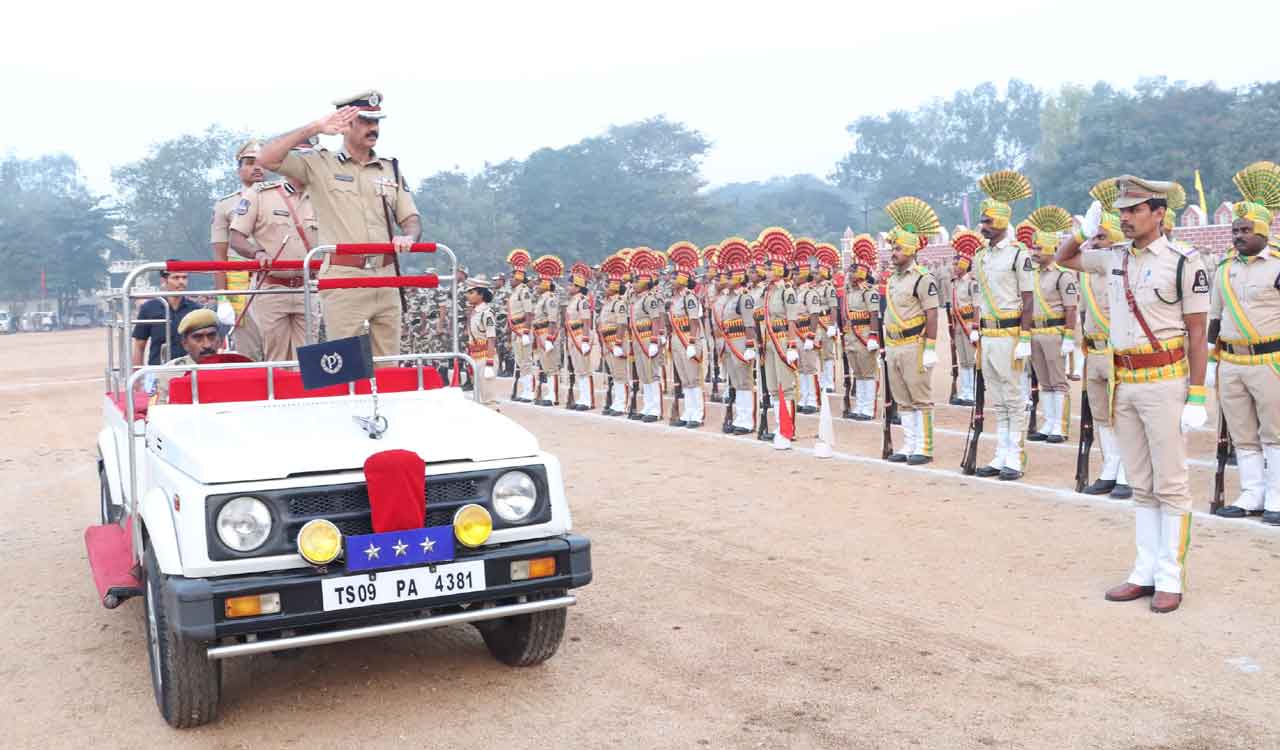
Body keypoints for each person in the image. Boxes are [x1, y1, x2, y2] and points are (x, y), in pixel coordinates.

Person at [1057, 175, 1211, 614]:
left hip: (1165, 381)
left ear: (1158, 213)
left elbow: (1198, 335)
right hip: (1125, 382)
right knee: (1141, 483)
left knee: (1172, 483)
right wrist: (1082, 233)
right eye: (1121, 211)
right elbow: (1062, 258)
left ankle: (1170, 576)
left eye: (1135, 210)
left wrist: (1197, 395)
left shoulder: (1185, 262)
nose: (1125, 217)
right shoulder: (1112, 259)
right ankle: (1143, 571)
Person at [257, 90, 422, 358]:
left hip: (387, 275)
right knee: (344, 364)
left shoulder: (390, 168)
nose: (374, 128)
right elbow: (266, 158)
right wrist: (315, 127)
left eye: (376, 122)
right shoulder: (320, 164)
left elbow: (410, 217)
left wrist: (409, 237)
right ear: (346, 124)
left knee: (389, 363)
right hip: (344, 278)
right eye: (366, 121)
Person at [1208, 162, 1280, 525]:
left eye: (1244, 230)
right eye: (1234, 230)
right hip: (1231, 362)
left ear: (1263, 231)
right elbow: (1215, 316)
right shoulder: (1224, 268)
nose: (1237, 235)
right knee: (1242, 432)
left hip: (1271, 360)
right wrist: (1209, 362)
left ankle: (1277, 496)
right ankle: (1252, 493)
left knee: (1276, 430)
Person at [972, 170, 1037, 481]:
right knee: (997, 397)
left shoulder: (1018, 256)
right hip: (988, 333)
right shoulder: (980, 257)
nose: (982, 226)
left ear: (1000, 222)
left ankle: (1015, 456)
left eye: (987, 221)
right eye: (982, 221)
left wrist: (1025, 336)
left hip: (1010, 333)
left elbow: (1028, 298)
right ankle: (1000, 453)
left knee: (1013, 396)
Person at [228, 164, 319, 362]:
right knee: (276, 359)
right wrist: (257, 253)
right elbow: (236, 238)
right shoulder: (260, 194)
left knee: (308, 359)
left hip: (308, 288)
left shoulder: (323, 196)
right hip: (272, 288)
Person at [1077, 179, 1133, 499]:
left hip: (1119, 352)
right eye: (1095, 236)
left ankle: (1127, 470)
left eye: (1102, 236)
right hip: (1095, 352)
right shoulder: (1087, 273)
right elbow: (1081, 315)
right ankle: (1110, 467)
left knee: (1121, 412)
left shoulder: (1125, 269)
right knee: (1100, 413)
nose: (1096, 241)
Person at [881, 197, 942, 465]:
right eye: (892, 248)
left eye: (897, 249)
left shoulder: (922, 278)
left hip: (914, 344)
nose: (892, 253)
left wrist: (930, 347)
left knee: (920, 397)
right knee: (902, 398)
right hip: (894, 345)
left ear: (910, 250)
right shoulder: (892, 279)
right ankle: (908, 444)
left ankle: (925, 446)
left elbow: (931, 313)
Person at [1019, 207, 1078, 444]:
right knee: (1044, 381)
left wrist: (1069, 336)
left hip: (1055, 331)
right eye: (1033, 247)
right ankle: (1049, 421)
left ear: (1053, 249)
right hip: (1035, 331)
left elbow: (1071, 308)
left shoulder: (1063, 275)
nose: (1034, 251)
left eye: (1038, 247)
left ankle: (1060, 426)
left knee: (1058, 381)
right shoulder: (1031, 274)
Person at [210, 140, 265, 361]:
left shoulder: (280, 197)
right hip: (240, 287)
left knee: (282, 352)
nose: (257, 168)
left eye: (261, 163)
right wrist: (222, 299)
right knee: (248, 354)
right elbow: (219, 258)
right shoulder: (225, 205)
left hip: (273, 281)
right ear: (239, 168)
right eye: (250, 163)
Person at [757, 228, 801, 449]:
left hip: (782, 338)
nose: (764, 271)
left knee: (786, 386)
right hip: (768, 340)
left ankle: (787, 429)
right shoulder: (766, 291)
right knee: (773, 386)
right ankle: (778, 426)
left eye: (768, 267)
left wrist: (792, 344)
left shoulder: (787, 291)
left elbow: (792, 318)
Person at [711, 239, 759, 434]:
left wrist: (749, 345)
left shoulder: (744, 297)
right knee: (735, 381)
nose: (725, 279)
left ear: (739, 277)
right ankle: (740, 417)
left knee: (745, 381)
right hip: (728, 343)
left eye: (730, 276)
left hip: (740, 341)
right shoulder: (726, 298)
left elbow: (749, 323)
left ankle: (748, 420)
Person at [131, 266, 201, 378]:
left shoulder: (195, 309)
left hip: (188, 370)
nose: (181, 282)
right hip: (157, 371)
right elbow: (139, 346)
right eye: (176, 278)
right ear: (164, 280)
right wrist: (137, 377)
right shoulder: (149, 308)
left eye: (184, 277)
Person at [842, 235, 882, 420]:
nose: (849, 275)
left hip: (864, 334)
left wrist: (873, 336)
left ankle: (868, 409)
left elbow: (874, 314)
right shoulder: (849, 291)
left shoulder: (869, 291)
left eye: (853, 272)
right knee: (858, 373)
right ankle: (860, 407)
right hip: (851, 336)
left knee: (867, 373)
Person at [667, 243, 706, 428]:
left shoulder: (690, 297)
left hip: (688, 338)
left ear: (683, 279)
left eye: (674, 277)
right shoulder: (674, 298)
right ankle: (688, 411)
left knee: (693, 378)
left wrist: (691, 342)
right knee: (684, 378)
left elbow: (694, 321)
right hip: (676, 338)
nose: (671, 279)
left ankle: (697, 414)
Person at [152, 308, 222, 405]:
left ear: (220, 340)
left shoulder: (236, 367)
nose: (207, 345)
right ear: (185, 344)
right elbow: (157, 412)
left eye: (211, 336)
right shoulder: (167, 373)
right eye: (198, 338)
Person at [628, 248, 666, 422]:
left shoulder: (650, 299)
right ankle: (647, 406)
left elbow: (656, 319)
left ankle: (655, 410)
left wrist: (654, 340)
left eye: (636, 281)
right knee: (644, 375)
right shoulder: (636, 299)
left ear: (644, 282)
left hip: (647, 338)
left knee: (652, 374)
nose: (632, 284)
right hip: (637, 339)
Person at [949, 230, 982, 407]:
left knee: (971, 360)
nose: (953, 267)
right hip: (959, 326)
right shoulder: (955, 283)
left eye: (956, 264)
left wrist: (975, 328)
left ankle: (973, 393)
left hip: (969, 324)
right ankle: (965, 391)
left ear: (964, 264)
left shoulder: (972, 283)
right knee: (963, 360)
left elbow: (976, 306)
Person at [598, 255, 632, 416]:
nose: (604, 287)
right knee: (614, 373)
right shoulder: (608, 302)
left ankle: (622, 404)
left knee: (620, 374)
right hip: (607, 340)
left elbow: (622, 323)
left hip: (616, 340)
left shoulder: (619, 303)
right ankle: (617, 402)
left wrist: (618, 343)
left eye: (607, 284)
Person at [530, 255, 565, 406]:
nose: (536, 284)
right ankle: (549, 394)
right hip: (539, 333)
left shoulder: (550, 298)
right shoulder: (541, 298)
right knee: (544, 365)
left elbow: (552, 320)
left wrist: (550, 338)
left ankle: (553, 397)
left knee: (551, 367)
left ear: (546, 283)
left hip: (547, 333)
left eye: (539, 282)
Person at [463, 275, 499, 408]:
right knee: (478, 398)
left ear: (481, 295)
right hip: (475, 357)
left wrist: (489, 362)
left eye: (471, 292)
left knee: (488, 398)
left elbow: (491, 338)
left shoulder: (486, 313)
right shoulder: (474, 312)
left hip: (485, 357)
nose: (468, 295)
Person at [564, 263, 596, 411]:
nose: (567, 287)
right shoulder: (573, 301)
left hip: (579, 336)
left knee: (584, 369)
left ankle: (587, 400)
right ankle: (582, 398)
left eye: (570, 285)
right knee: (578, 369)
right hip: (572, 336)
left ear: (577, 287)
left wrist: (584, 340)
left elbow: (586, 321)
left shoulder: (582, 301)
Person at [506, 249, 537, 401]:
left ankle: (529, 391)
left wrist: (525, 331)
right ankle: (525, 390)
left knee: (526, 362)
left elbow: (529, 313)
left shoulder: (523, 291)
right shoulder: (515, 292)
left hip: (522, 330)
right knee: (520, 361)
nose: (509, 280)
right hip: (516, 330)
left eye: (511, 277)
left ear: (518, 277)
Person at [815, 244, 841, 395]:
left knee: (828, 353)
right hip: (815, 322)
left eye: (817, 273)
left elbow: (833, 307)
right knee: (818, 353)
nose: (814, 275)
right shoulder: (812, 287)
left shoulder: (828, 288)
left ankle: (829, 381)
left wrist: (832, 325)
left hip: (825, 321)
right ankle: (821, 380)